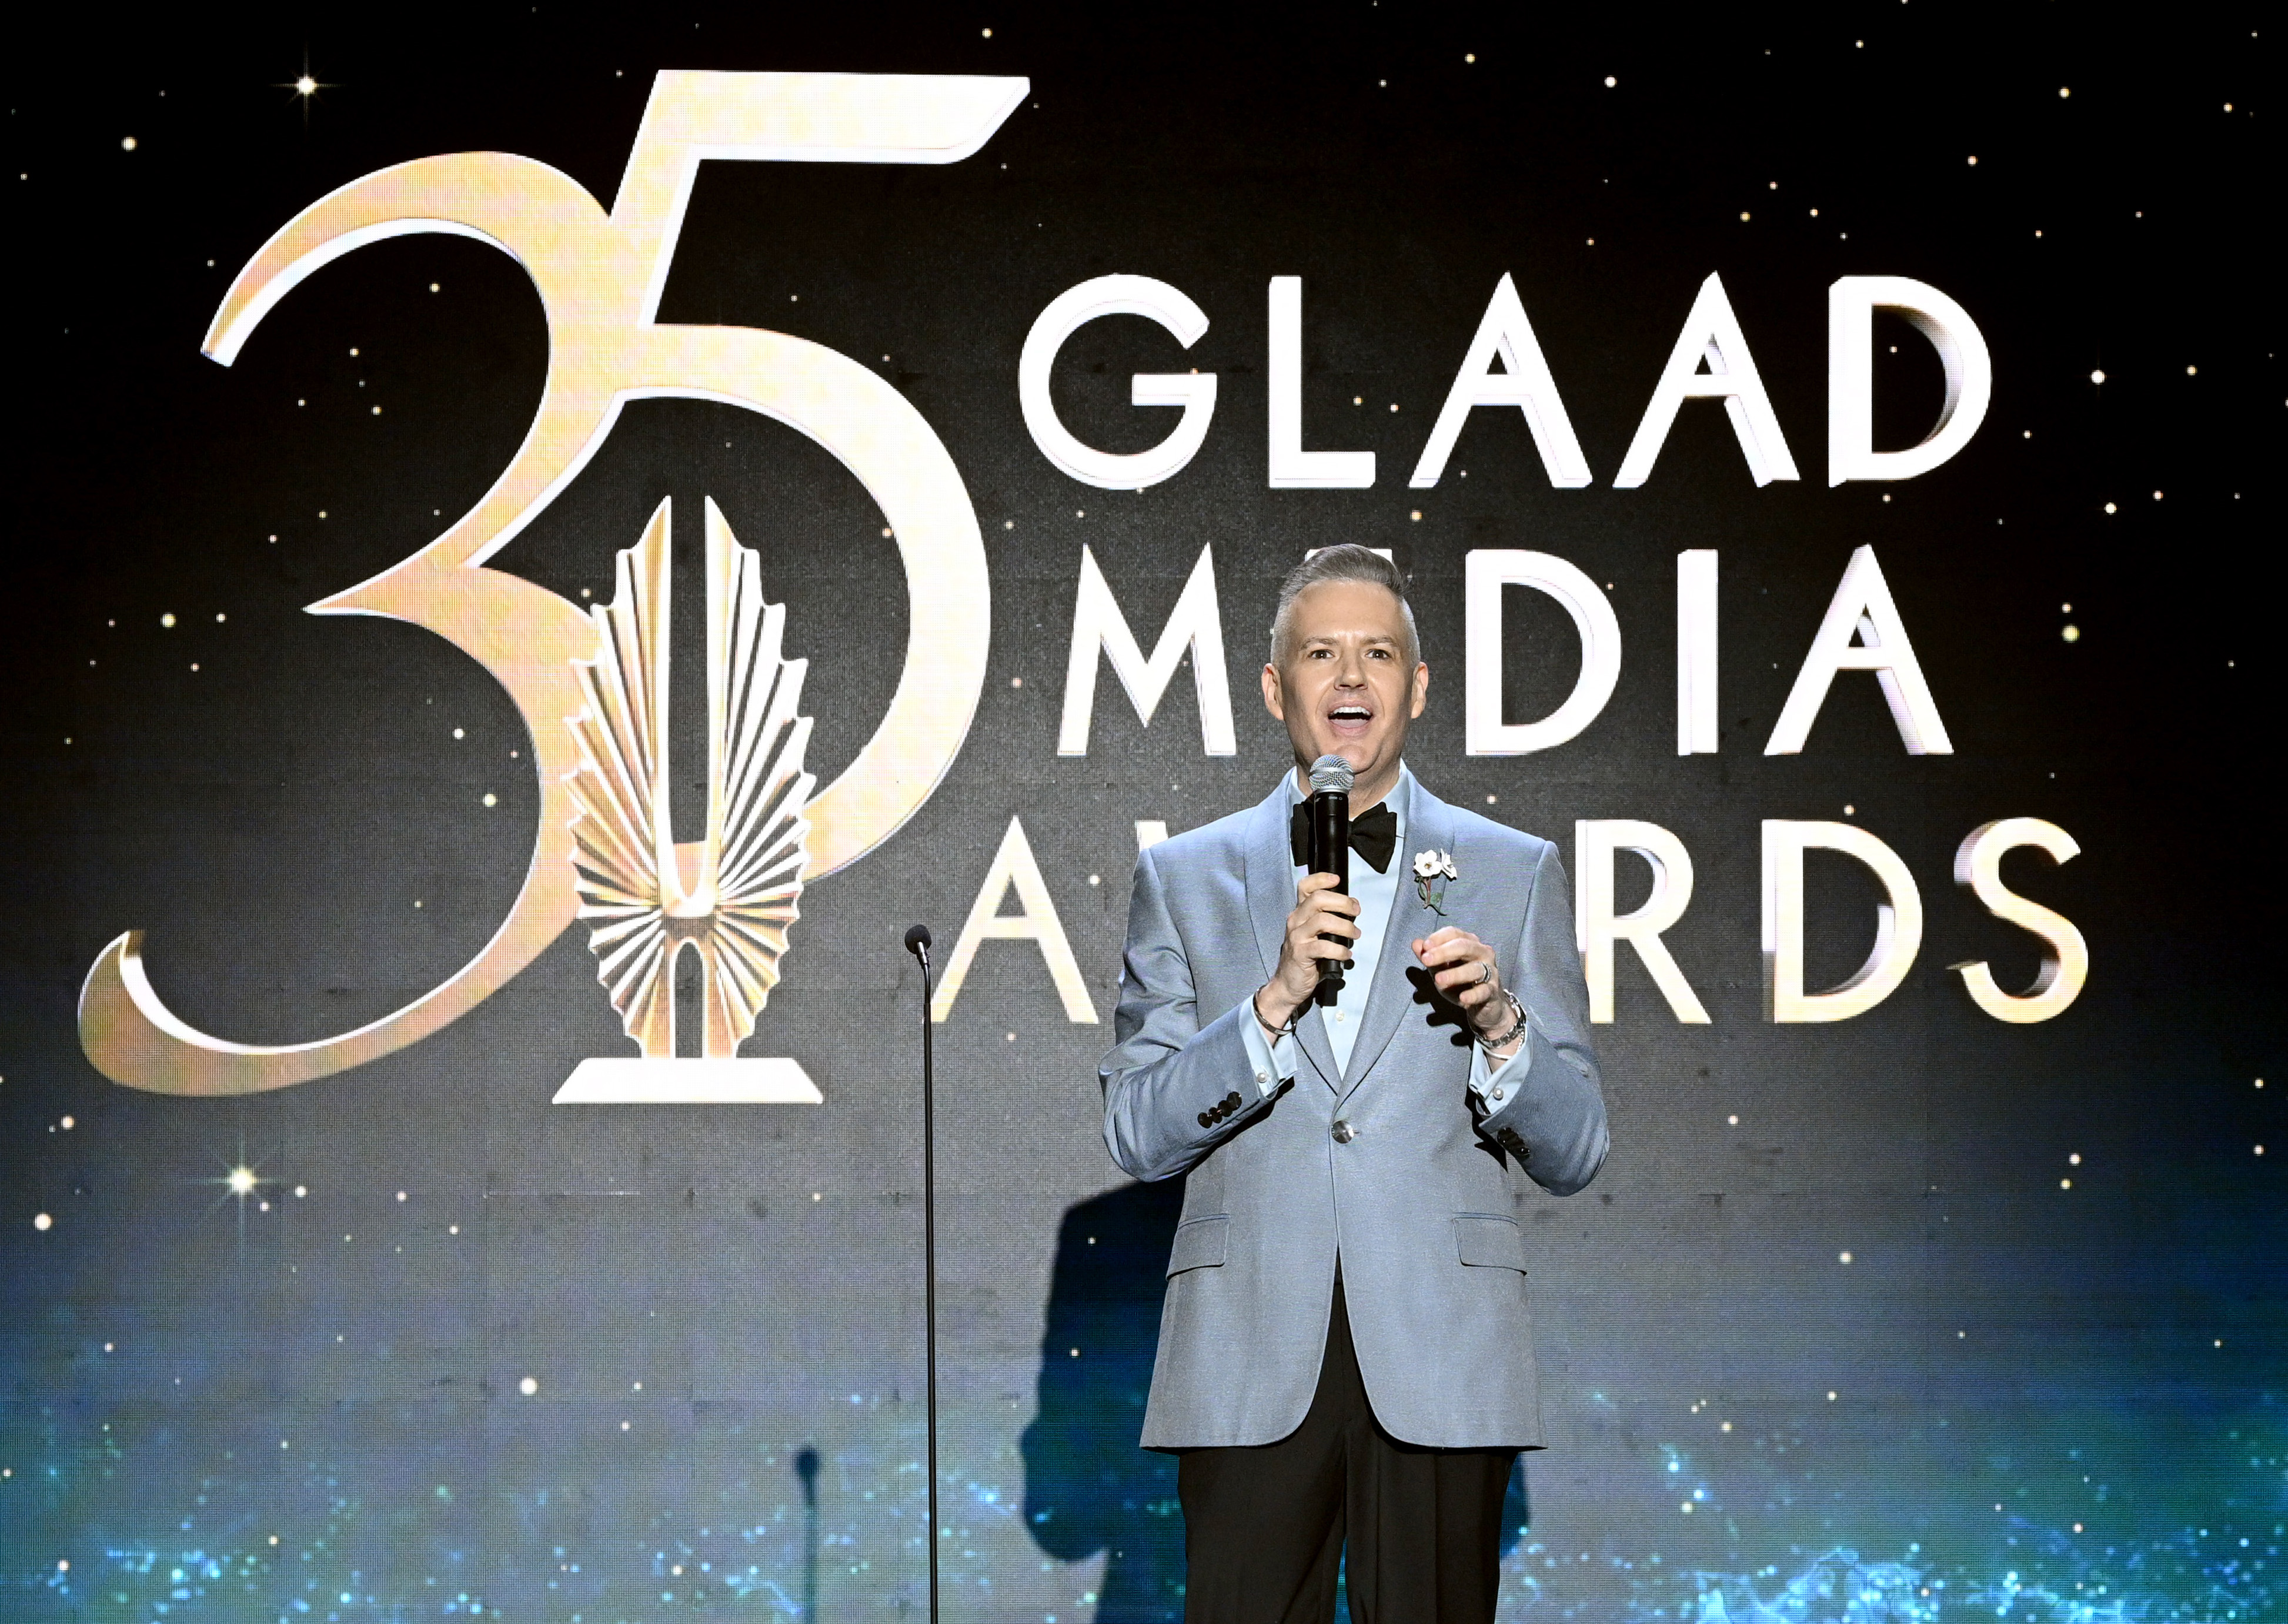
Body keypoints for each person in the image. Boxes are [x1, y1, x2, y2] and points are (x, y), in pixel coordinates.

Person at [1099, 545, 1609, 1624]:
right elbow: (1138, 1130)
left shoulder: (1513, 868)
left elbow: (1577, 1149)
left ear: (1416, 687)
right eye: (1320, 653)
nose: (1349, 679)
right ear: (1273, 686)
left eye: (1377, 654)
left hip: (1443, 1348)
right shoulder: (1183, 875)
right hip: (1248, 1352)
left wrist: (1501, 1027)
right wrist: (1270, 1004)